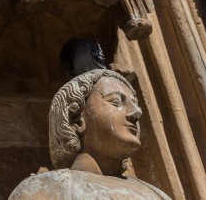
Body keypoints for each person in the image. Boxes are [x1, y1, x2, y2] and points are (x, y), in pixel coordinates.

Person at [9, 69, 171, 199]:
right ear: (77, 120)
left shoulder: (156, 194)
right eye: (116, 102)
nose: (136, 113)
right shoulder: (45, 189)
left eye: (136, 106)